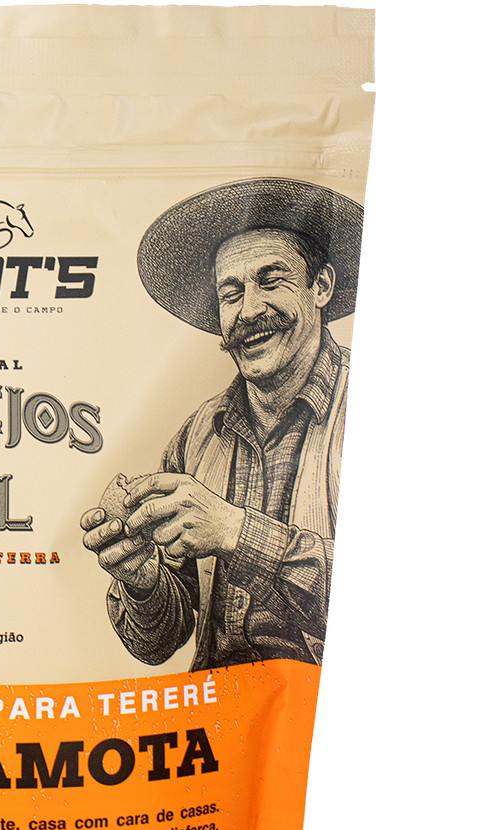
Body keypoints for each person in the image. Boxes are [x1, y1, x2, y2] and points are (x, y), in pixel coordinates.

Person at [82, 178, 363, 671]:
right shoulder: (196, 435)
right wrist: (144, 581)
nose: (248, 311)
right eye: (230, 293)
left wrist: (236, 532)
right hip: (219, 709)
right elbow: (159, 644)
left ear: (320, 287)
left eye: (271, 281)